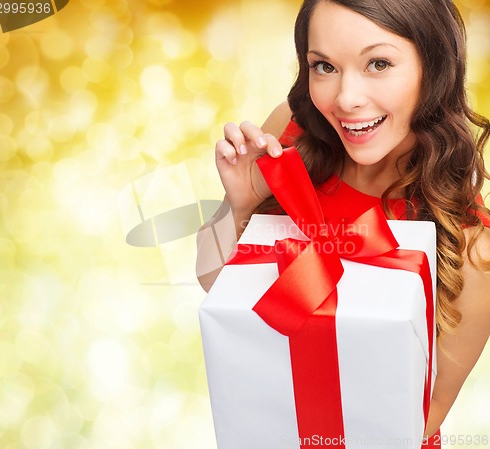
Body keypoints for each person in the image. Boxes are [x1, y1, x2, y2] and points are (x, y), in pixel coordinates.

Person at [196, 0, 490, 445]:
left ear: (435, 67)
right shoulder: (290, 136)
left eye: (378, 63)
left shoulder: (472, 248)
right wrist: (240, 205)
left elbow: (419, 419)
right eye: (324, 66)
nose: (346, 99)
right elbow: (210, 279)